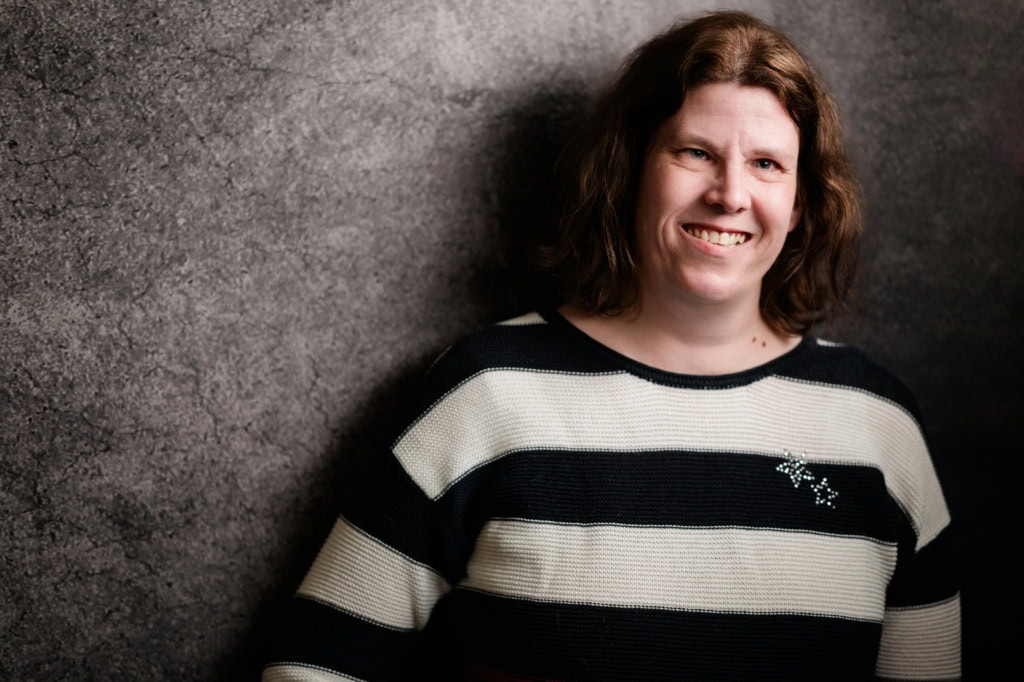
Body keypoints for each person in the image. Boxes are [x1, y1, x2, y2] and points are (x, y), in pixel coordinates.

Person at [261, 10, 960, 681]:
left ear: (801, 203)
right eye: (695, 153)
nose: (729, 194)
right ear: (632, 169)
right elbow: (314, 665)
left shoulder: (877, 427)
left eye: (769, 165)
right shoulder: (488, 394)